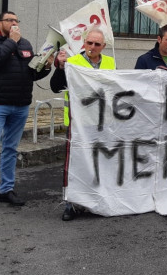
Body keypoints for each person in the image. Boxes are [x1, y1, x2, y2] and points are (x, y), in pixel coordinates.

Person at [0, 11, 52, 210]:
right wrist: (12, 41)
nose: (14, 23)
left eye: (16, 20)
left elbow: (31, 73)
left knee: (10, 149)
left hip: (21, 104)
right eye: (10, 20)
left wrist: (46, 66)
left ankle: (6, 190)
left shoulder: (25, 44)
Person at [50, 26, 116, 221]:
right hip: (78, 123)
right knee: (75, 164)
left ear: (103, 46)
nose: (93, 47)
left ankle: (97, 200)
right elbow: (56, 87)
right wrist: (61, 68)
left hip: (102, 122)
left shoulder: (110, 62)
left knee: (100, 163)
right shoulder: (73, 61)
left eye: (97, 44)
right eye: (89, 43)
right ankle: (71, 203)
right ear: (83, 44)